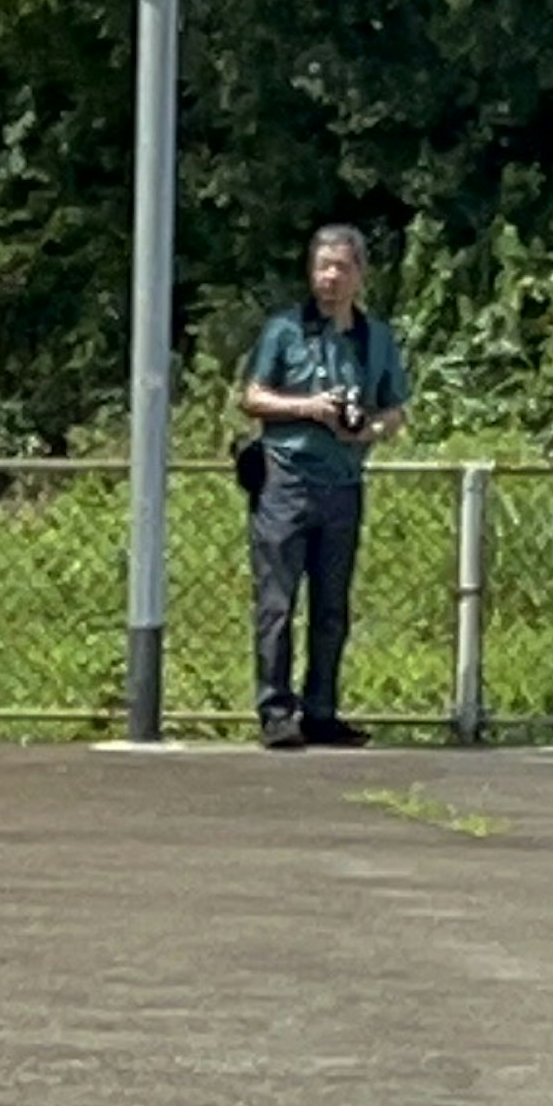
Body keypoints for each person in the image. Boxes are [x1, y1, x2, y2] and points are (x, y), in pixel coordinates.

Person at [237, 220, 407, 747]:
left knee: (332, 607)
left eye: (341, 267)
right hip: (284, 480)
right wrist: (310, 408)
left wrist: (368, 430)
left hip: (344, 483)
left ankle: (322, 710)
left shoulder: (375, 337)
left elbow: (395, 408)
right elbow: (253, 397)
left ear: (360, 275)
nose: (330, 277)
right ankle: (276, 712)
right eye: (321, 266)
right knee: (277, 603)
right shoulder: (285, 330)